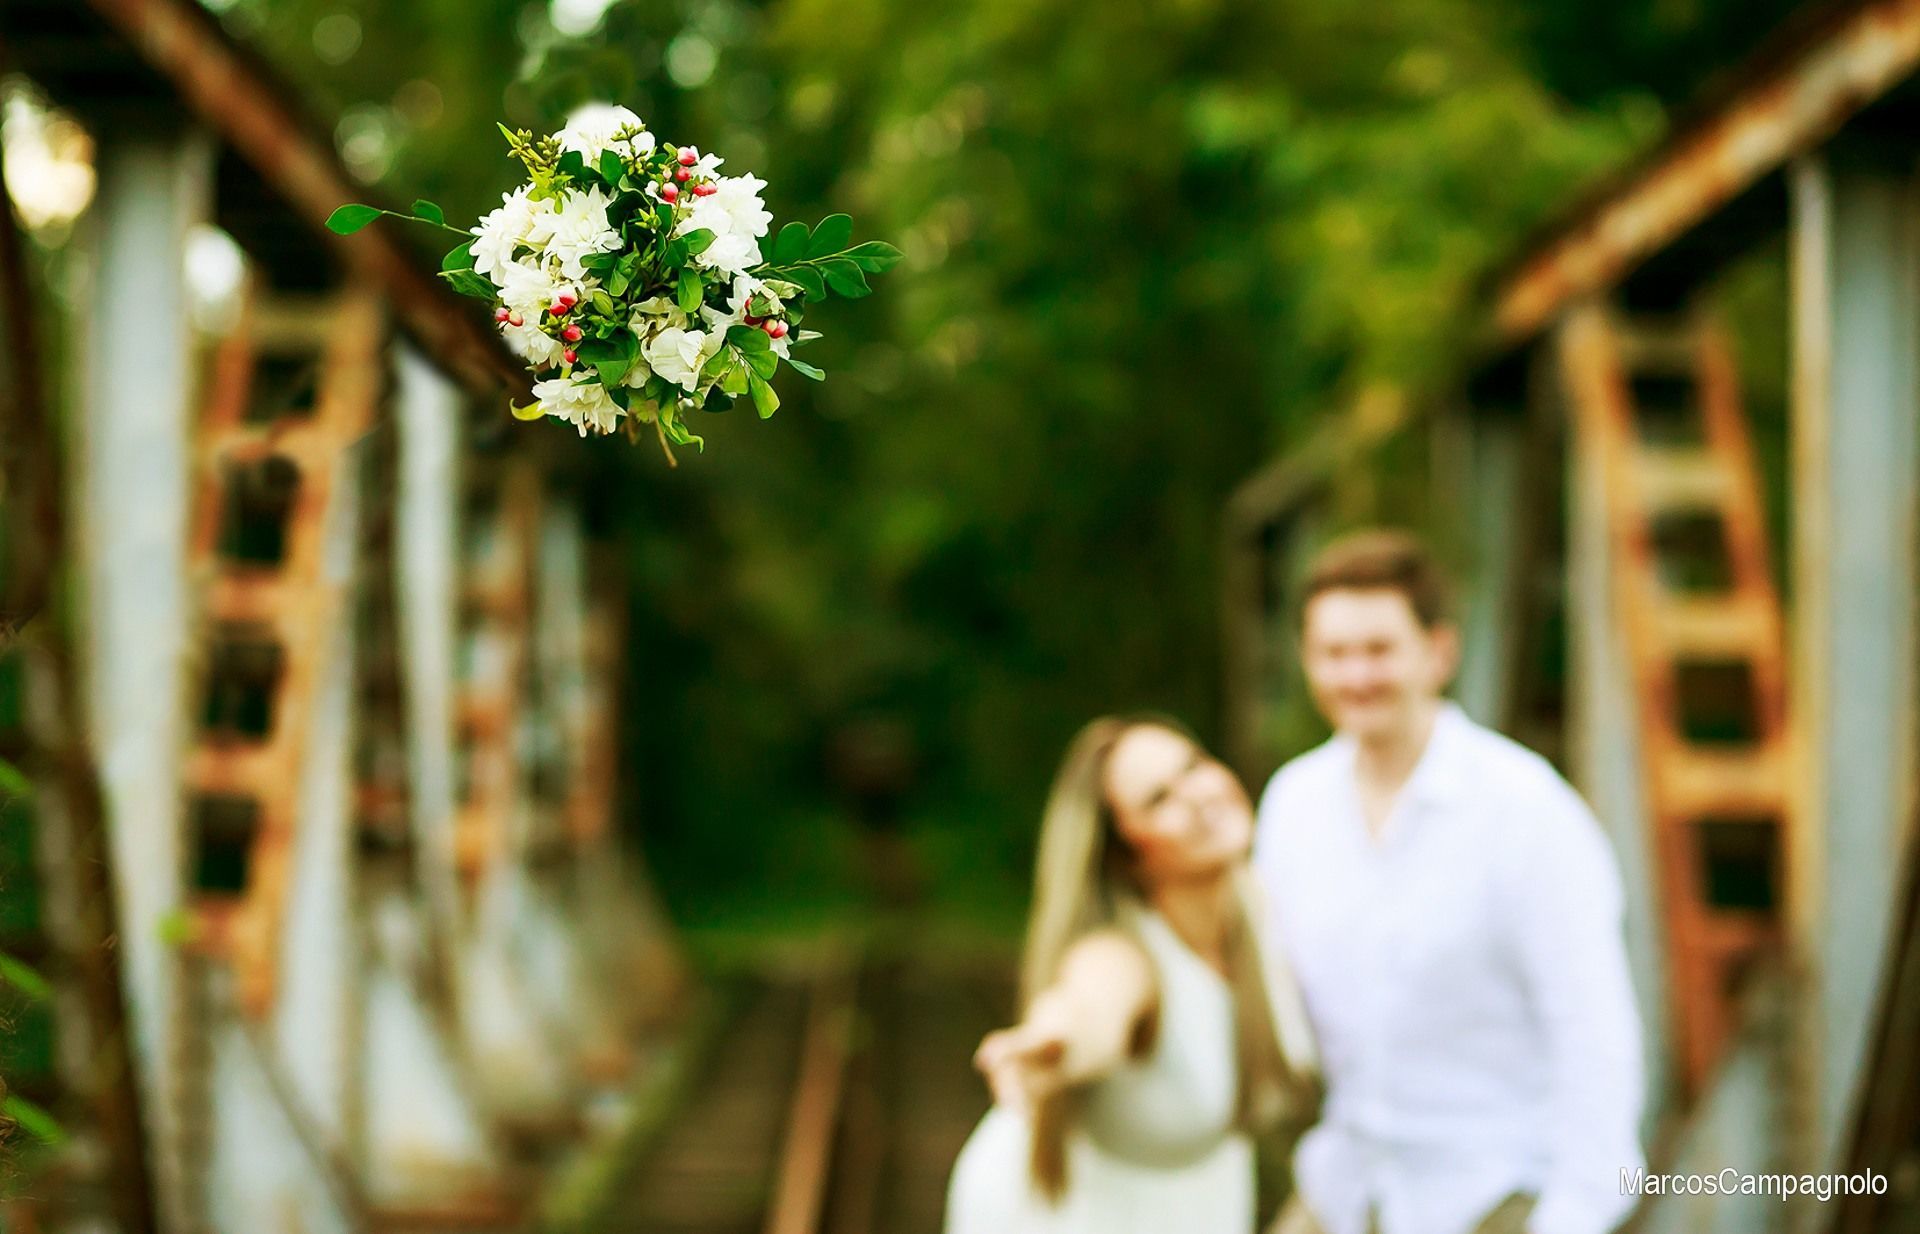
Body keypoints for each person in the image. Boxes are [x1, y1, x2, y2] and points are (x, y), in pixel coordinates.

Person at [1254, 531, 1644, 1234]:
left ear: (1438, 652)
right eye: (1333, 653)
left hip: (1495, 1188)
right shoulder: (1293, 805)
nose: (1355, 675)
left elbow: (1594, 1033)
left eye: (1378, 650)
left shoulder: (1527, 809)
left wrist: (1575, 1215)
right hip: (1348, 1186)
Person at [945, 716, 1316, 1234]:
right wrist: (1055, 1043)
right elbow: (1089, 1008)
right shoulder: (1123, 954)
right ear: (1127, 856)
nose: (1197, 796)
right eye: (1159, 799)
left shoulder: (1264, 905)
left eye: (1193, 766)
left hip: (1198, 1205)